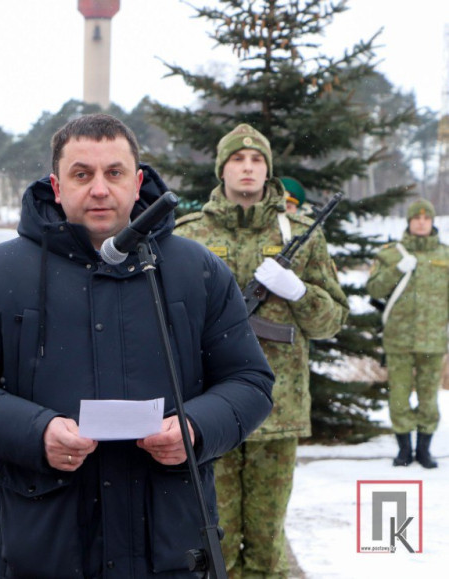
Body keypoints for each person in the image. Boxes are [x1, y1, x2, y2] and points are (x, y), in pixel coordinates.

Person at [0, 114, 275, 578]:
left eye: (114, 173)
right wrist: (38, 432)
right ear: (56, 184)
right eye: (82, 174)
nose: (99, 189)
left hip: (171, 546)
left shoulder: (198, 272)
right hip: (45, 546)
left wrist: (194, 429)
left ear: (138, 180)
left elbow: (250, 381)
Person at [175, 124, 349, 578]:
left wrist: (298, 292)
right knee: (215, 536)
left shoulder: (303, 234)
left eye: (256, 161)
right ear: (222, 169)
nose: (247, 168)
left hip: (278, 407)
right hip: (210, 408)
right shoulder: (189, 235)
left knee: (268, 544)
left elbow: (331, 321)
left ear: (268, 170)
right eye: (237, 160)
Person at [365, 198, 445, 469]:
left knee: (428, 397)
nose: (421, 222)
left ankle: (424, 450)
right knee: (398, 396)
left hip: (433, 340)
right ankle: (403, 450)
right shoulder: (390, 254)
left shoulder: (445, 256)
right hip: (398, 338)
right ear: (409, 222)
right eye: (416, 218)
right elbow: (374, 289)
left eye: (426, 218)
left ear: (433, 222)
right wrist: (397, 269)